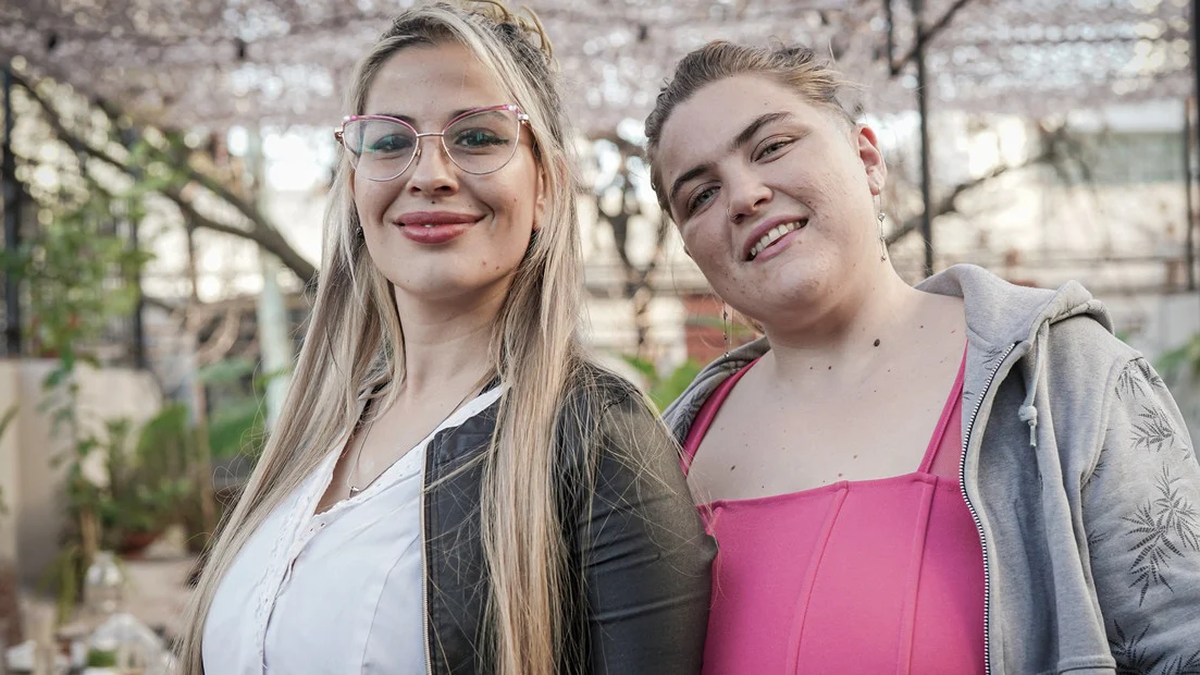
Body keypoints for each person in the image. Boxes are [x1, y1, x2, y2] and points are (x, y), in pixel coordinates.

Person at [176, 4, 714, 674]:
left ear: (545, 186)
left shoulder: (596, 436)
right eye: (390, 141)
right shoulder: (316, 432)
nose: (428, 173)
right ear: (355, 185)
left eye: (480, 137)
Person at [644, 40, 1200, 673]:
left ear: (867, 158)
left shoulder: (1063, 379)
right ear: (691, 247)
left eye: (771, 147)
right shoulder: (663, 456)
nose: (743, 196)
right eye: (701, 195)